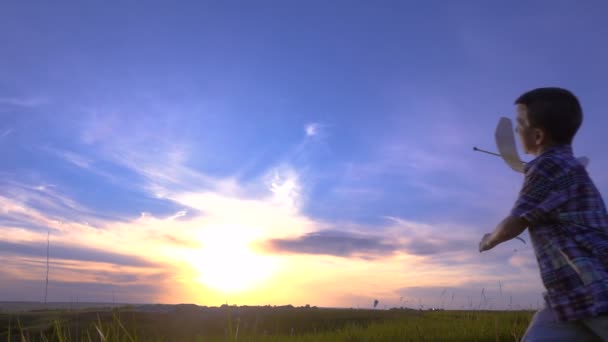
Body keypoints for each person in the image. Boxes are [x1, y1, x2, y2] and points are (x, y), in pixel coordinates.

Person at [478, 87, 608, 341]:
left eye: (520, 124)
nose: (516, 131)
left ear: (537, 135)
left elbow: (515, 223)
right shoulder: (565, 165)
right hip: (568, 298)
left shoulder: (548, 165)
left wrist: (488, 240)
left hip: (596, 289)